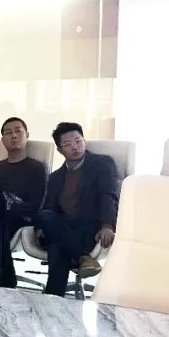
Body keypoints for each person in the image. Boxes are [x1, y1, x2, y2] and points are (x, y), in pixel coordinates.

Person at [38, 122, 119, 296]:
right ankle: (83, 257)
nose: (74, 147)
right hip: (63, 226)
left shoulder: (102, 164)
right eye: (68, 144)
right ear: (60, 150)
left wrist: (107, 225)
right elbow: (48, 207)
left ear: (84, 140)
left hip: (90, 229)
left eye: (78, 140)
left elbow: (108, 195)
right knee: (45, 217)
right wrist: (40, 229)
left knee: (57, 247)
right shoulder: (55, 177)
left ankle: (51, 301)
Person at [0, 117, 48, 239]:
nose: (14, 136)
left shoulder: (36, 168)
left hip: (19, 224)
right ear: (3, 140)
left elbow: (35, 206)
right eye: (8, 133)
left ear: (27, 135)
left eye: (18, 131)